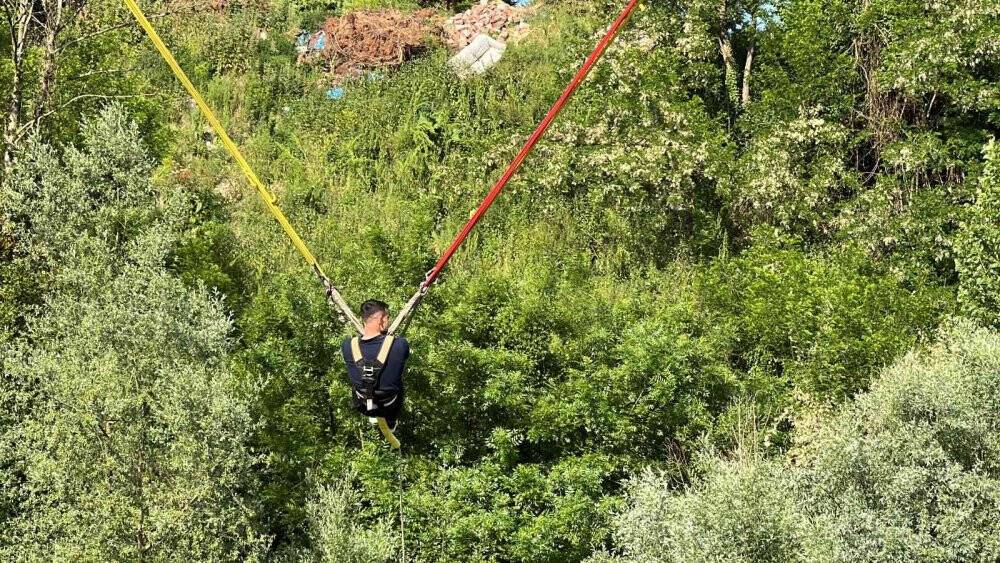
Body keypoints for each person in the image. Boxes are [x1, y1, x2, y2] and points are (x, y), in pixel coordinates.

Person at [342, 300, 410, 431]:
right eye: (387, 318)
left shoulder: (348, 345)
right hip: (389, 406)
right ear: (382, 320)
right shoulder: (400, 344)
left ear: (364, 322)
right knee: (399, 380)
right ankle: (390, 421)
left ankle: (371, 409)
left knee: (359, 376)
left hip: (363, 405)